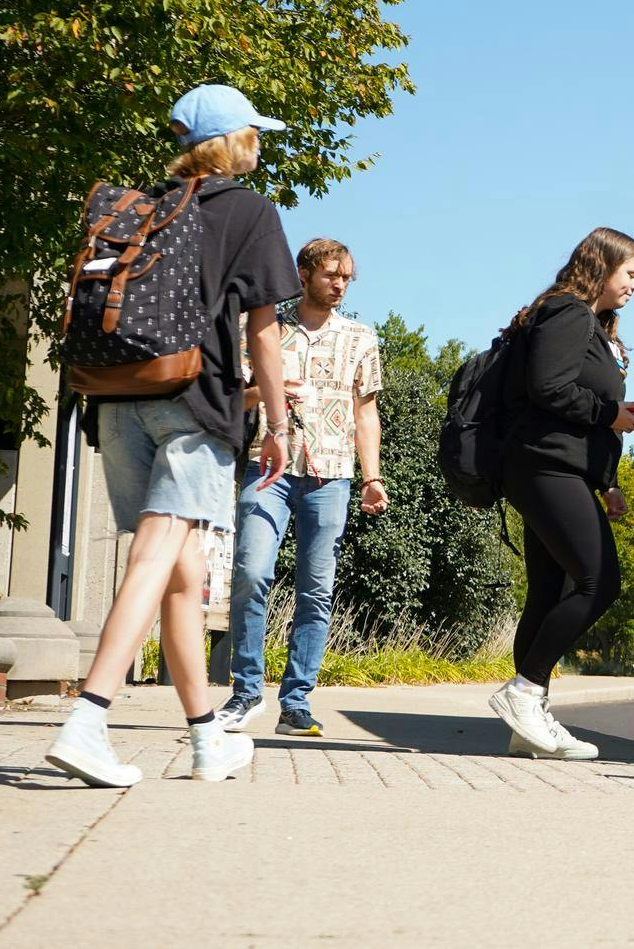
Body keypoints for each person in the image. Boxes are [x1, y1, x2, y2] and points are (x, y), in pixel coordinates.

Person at [45, 84, 298, 788]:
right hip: (195, 402)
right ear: (234, 141)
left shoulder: (147, 207)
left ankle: (207, 738)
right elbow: (263, 334)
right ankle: (88, 719)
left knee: (180, 575)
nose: (260, 144)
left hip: (119, 396)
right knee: (158, 553)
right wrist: (277, 424)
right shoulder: (250, 210)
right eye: (255, 133)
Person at [213, 238, 387, 738]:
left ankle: (296, 703)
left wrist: (372, 477)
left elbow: (366, 414)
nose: (340, 284)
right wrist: (265, 393)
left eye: (346, 277)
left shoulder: (361, 338)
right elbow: (231, 400)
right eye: (331, 274)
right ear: (304, 273)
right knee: (251, 572)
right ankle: (246, 693)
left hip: (332, 475)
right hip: (266, 468)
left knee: (316, 590)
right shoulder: (262, 328)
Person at [487, 227, 634, 760]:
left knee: (548, 591)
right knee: (599, 581)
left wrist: (608, 482)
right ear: (602, 266)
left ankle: (527, 723)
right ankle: (524, 691)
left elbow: (579, 411)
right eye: (630, 274)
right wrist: (609, 412)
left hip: (559, 468)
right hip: (542, 465)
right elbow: (549, 389)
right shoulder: (567, 313)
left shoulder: (591, 324)